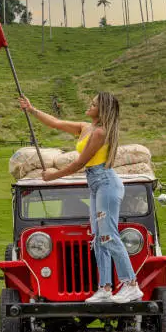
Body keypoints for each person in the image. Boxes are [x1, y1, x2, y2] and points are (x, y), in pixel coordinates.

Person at [19, 92, 143, 304]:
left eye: (93, 104)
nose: (90, 105)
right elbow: (57, 123)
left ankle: (131, 284)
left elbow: (78, 164)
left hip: (106, 182)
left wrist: (52, 176)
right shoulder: (86, 128)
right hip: (95, 183)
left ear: (101, 110)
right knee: (98, 238)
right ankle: (104, 288)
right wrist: (32, 110)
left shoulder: (100, 133)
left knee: (109, 235)